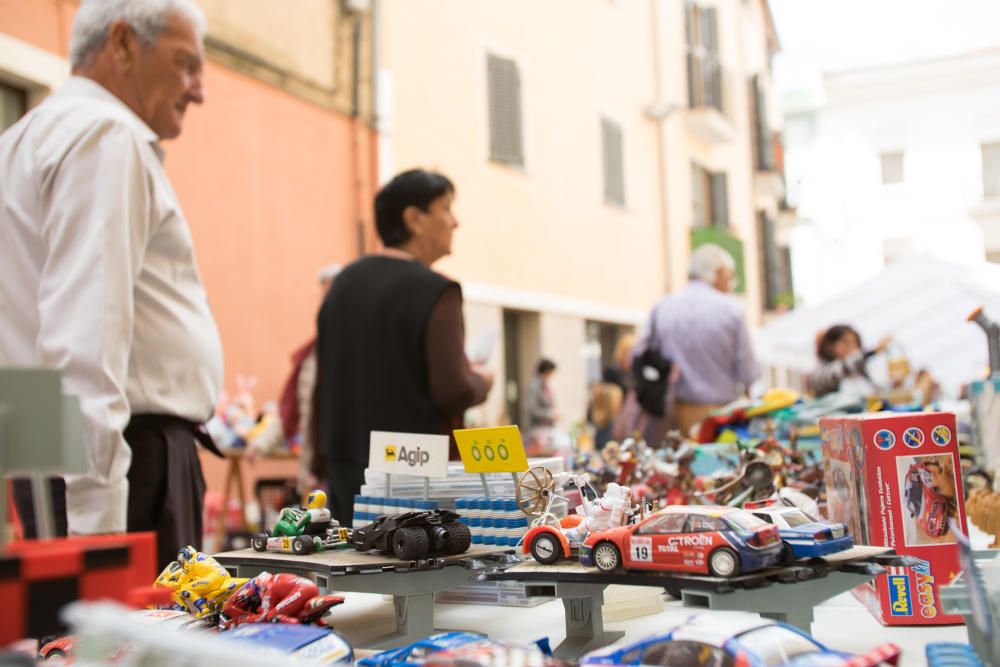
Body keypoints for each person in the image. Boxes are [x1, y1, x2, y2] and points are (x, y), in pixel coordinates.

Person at [0, 0, 221, 568]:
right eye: (185, 63)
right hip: (125, 464)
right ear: (122, 44)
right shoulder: (104, 135)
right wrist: (99, 539)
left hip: (59, 454)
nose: (198, 90)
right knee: (128, 649)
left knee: (65, 645)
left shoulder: (23, 139)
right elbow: (86, 340)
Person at [314, 169, 494, 525]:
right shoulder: (437, 291)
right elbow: (453, 390)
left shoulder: (342, 284)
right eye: (446, 208)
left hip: (344, 459)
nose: (454, 222)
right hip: (412, 467)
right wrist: (483, 380)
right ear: (414, 219)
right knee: (414, 571)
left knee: (352, 569)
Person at [633, 244, 759, 438]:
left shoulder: (662, 307)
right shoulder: (732, 310)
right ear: (719, 272)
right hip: (722, 420)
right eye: (730, 276)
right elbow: (749, 374)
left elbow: (638, 354)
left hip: (673, 419)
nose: (731, 283)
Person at [276, 263, 341, 493]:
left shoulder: (355, 351)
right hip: (316, 474)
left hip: (345, 470)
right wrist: (260, 443)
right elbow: (291, 409)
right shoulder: (311, 355)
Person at [809, 325, 890, 397]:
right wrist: (873, 351)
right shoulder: (823, 372)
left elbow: (876, 392)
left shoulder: (860, 372)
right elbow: (845, 367)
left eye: (855, 343)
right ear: (830, 346)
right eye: (846, 343)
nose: (853, 347)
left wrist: (893, 385)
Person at [526, 358, 558, 430]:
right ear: (546, 371)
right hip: (538, 429)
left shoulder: (544, 385)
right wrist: (549, 414)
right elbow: (531, 409)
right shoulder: (534, 386)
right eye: (551, 373)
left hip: (547, 427)